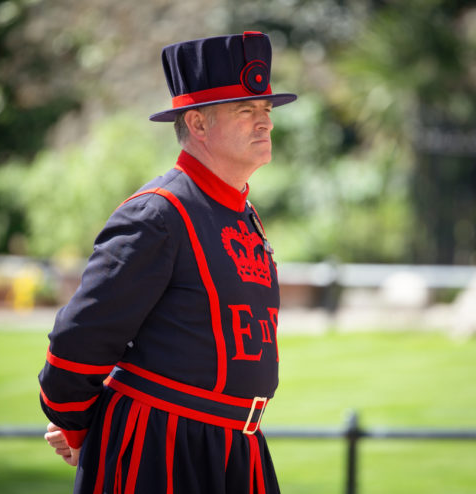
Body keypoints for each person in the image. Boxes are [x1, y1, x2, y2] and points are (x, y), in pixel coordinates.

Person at [39, 31, 297, 494]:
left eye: (266, 110)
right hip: (159, 449)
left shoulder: (242, 212)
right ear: (197, 124)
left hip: (237, 447)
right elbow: (80, 337)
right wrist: (78, 427)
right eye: (246, 111)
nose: (265, 123)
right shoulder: (158, 213)